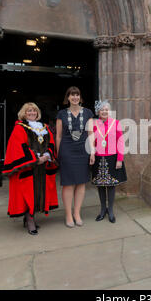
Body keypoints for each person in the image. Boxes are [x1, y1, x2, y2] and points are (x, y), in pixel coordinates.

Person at [2, 102, 59, 235]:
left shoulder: (44, 127)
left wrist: (47, 155)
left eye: (34, 111)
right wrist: (35, 158)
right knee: (28, 192)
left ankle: (30, 217)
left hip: (42, 166)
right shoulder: (20, 128)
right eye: (29, 111)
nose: (32, 113)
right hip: (29, 166)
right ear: (24, 113)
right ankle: (29, 219)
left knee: (39, 191)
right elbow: (19, 146)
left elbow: (51, 142)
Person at [56, 87, 95, 228]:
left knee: (81, 183)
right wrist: (58, 153)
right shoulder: (61, 114)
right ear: (68, 98)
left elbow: (91, 134)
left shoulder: (88, 113)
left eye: (77, 95)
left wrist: (92, 152)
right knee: (68, 184)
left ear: (80, 97)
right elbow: (59, 136)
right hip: (67, 150)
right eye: (72, 95)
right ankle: (68, 214)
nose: (75, 97)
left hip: (83, 150)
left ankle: (77, 213)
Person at [91, 100, 127, 223]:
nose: (105, 111)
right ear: (98, 112)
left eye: (107, 109)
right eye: (102, 110)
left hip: (112, 158)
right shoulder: (94, 124)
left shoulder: (116, 123)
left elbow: (120, 142)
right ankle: (102, 210)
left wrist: (120, 159)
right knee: (100, 185)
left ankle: (110, 210)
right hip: (98, 158)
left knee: (111, 185)